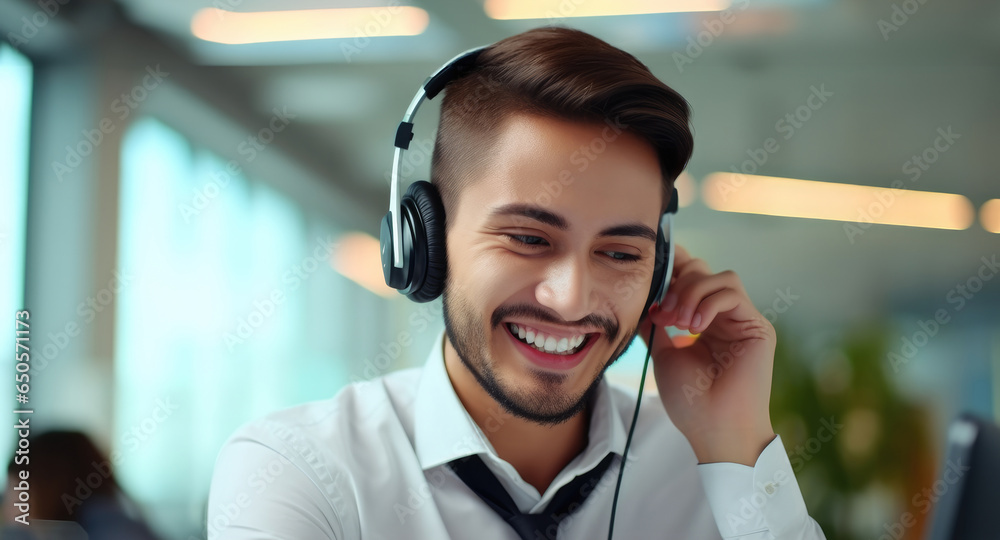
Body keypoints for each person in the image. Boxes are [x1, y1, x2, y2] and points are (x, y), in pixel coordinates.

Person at [208, 26, 827, 539]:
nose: (572, 298)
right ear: (423, 241)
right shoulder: (300, 470)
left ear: (659, 272)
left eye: (620, 252)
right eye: (529, 239)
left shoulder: (711, 472)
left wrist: (734, 444)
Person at [1, 430, 162, 540]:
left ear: (46, 488)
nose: (6, 507)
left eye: (14, 491)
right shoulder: (104, 522)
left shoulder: (111, 531)